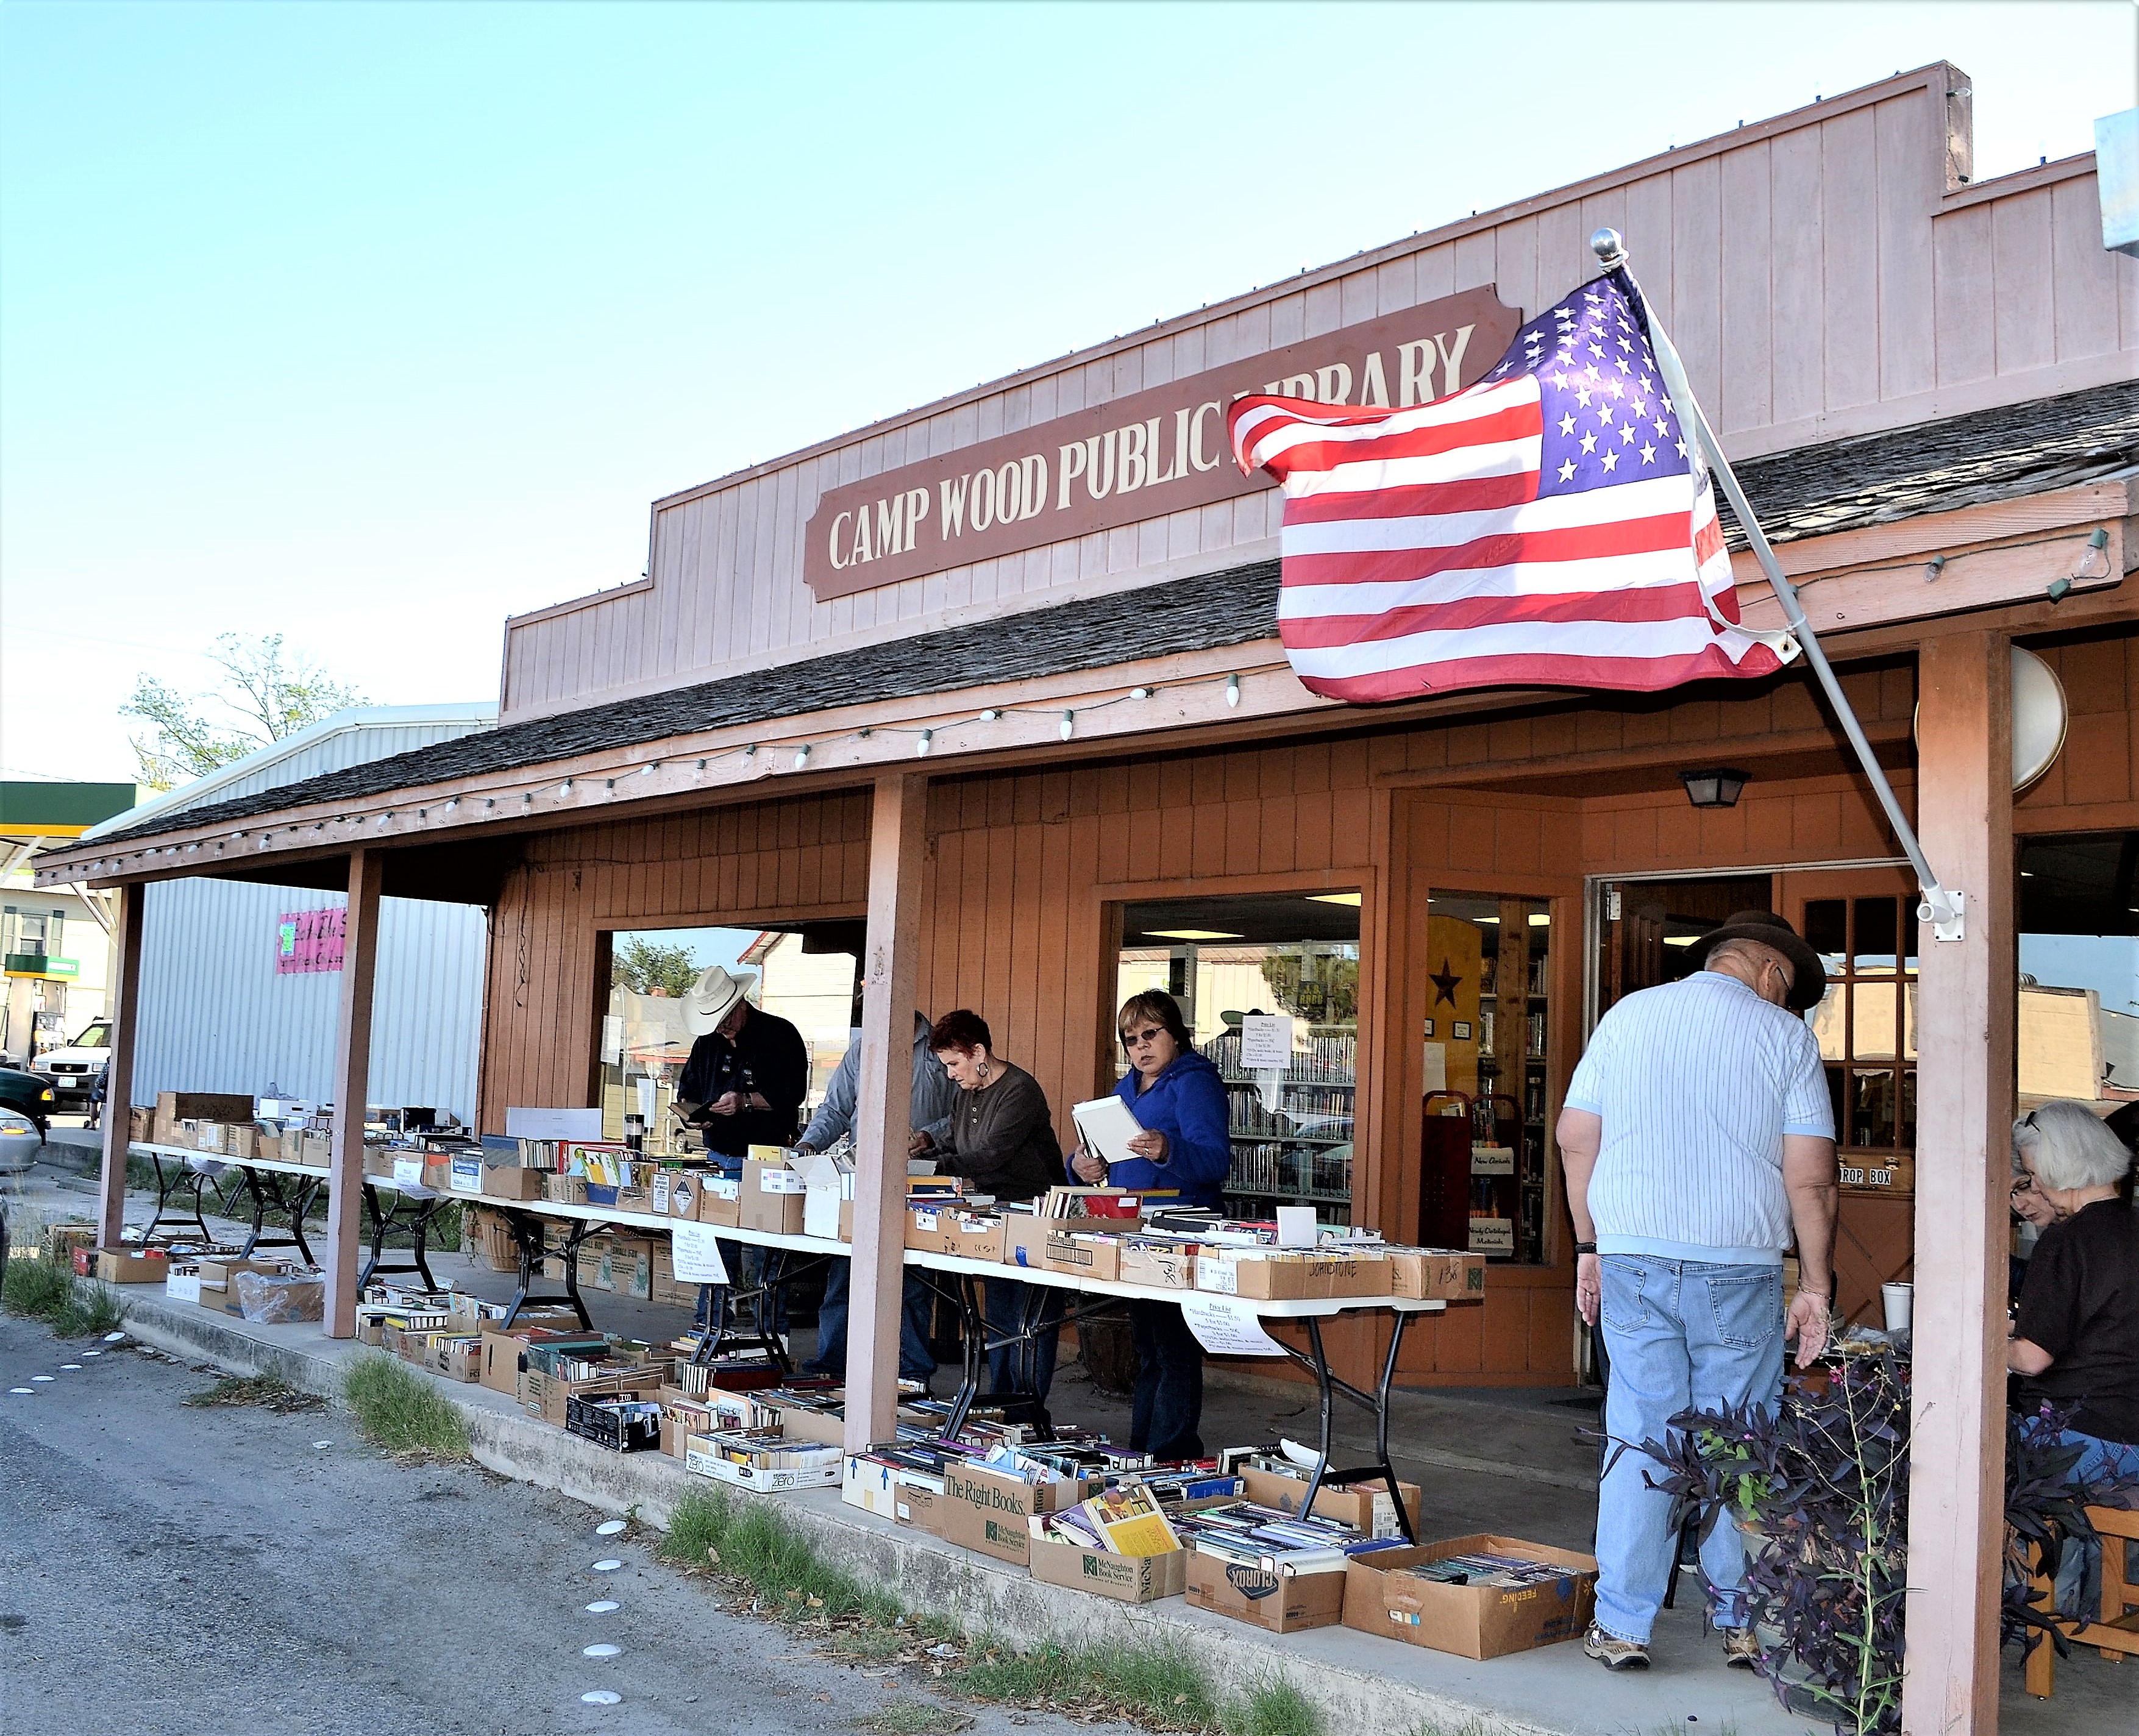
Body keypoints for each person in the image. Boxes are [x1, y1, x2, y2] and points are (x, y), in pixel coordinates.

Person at [1557, 909, 1838, 1674]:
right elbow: (1808, 1174)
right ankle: (1741, 1618)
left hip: (1631, 1257)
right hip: (1735, 1265)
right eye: (1791, 992)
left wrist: (1590, 1244)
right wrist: (1815, 1283)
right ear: (1773, 974)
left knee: (1639, 1432)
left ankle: (1621, 1624)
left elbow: (1575, 1137)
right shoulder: (1784, 1038)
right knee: (1733, 1436)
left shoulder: (1627, 1015)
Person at [1068, 990, 1230, 1459]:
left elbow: (1217, 1160)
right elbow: (1094, 1150)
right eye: (1130, 1038)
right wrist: (1080, 1165)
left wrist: (1168, 1149)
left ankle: (1172, 1451)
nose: (1140, 1046)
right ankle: (1145, 1451)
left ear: (1174, 1034)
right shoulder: (1125, 1089)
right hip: (1135, 1229)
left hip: (1181, 1230)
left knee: (1174, 1349)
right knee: (1150, 1350)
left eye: (1150, 1034)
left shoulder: (1194, 1083)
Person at [795, 1009, 958, 1386]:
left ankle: (912, 1373)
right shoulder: (861, 1050)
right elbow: (835, 1108)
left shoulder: (939, 1051)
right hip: (861, 1176)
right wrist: (809, 1145)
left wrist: (930, 1136)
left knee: (913, 1279)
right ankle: (833, 1363)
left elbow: (963, 1115)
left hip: (919, 1180)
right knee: (845, 1274)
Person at [910, 1009, 1065, 1401]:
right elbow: (958, 1147)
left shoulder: (1020, 1090)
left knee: (1030, 1318)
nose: (950, 1074)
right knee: (999, 1316)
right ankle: (1002, 1402)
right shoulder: (968, 1094)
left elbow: (990, 1154)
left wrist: (926, 1167)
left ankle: (1025, 1406)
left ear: (978, 1052)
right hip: (992, 1214)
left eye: (954, 1063)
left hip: (1036, 1213)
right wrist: (926, 1148)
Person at [674, 964, 810, 1336]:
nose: (722, 1027)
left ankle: (771, 1331)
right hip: (720, 1155)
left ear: (739, 1004)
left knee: (768, 1250)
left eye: (725, 1018)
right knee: (718, 1246)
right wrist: (694, 1114)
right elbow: (688, 1091)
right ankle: (713, 1324)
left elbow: (791, 1095)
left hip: (767, 1157)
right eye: (714, 1021)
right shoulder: (707, 1043)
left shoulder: (780, 1035)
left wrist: (746, 1102)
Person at [2009, 1102, 2139, 1486]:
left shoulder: (2066, 1240)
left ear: (2059, 1167)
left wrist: (1975, 1337)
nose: (2035, 1189)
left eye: (2034, 1175)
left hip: (2077, 1439)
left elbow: (2031, 1359)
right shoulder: (2132, 1226)